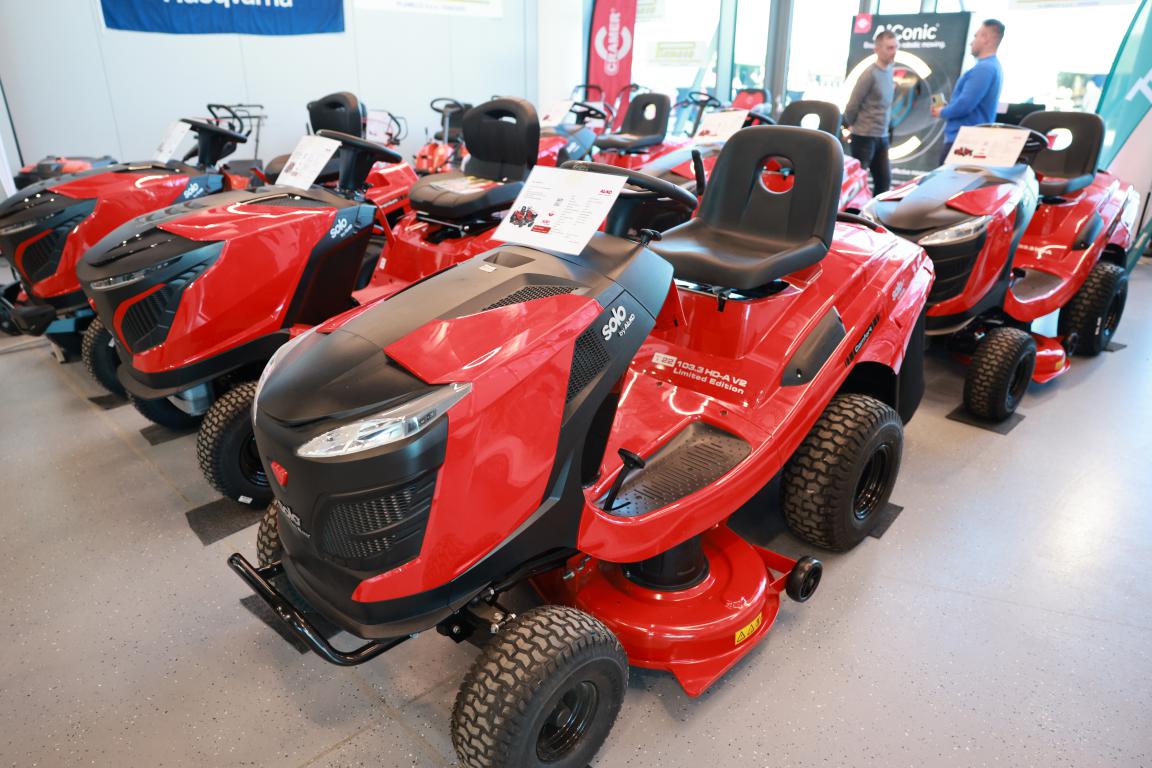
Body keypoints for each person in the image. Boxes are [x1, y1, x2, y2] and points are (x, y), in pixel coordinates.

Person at [932, 19, 1005, 163]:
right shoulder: (991, 67)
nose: (972, 42)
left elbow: (964, 105)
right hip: (969, 142)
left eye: (976, 36)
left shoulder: (984, 69)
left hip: (964, 143)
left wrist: (942, 111)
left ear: (986, 38)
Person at [845, 30, 898, 195]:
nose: (894, 51)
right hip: (864, 137)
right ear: (877, 49)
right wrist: (848, 126)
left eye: (896, 47)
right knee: (856, 184)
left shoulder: (889, 71)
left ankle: (873, 213)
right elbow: (853, 103)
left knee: (884, 181)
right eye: (890, 48)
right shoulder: (869, 74)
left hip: (882, 136)